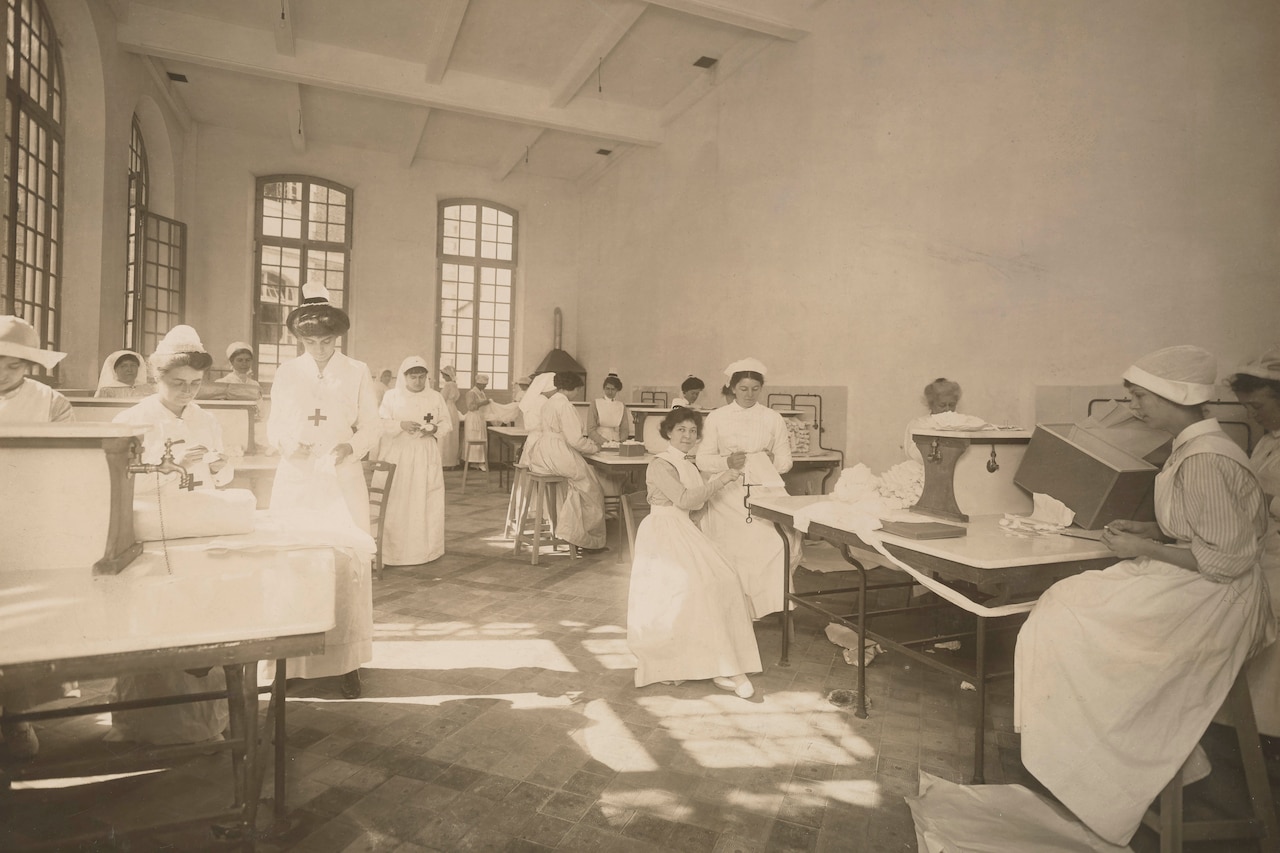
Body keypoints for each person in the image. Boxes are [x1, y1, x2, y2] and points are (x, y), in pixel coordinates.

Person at [1014, 345, 1274, 846]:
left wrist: (1144, 546)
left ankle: (1111, 772)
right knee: (1067, 604)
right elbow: (1204, 528)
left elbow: (1226, 560)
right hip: (1198, 584)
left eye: (1139, 397)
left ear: (1174, 397)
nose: (1133, 406)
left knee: (1064, 613)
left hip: (1215, 602)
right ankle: (1103, 765)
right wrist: (1149, 528)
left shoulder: (1205, 459)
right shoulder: (1195, 448)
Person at [109, 325, 232, 745]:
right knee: (155, 624)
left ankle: (203, 726)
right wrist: (167, 466)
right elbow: (119, 487)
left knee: (200, 621)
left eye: (195, 384)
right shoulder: (132, 420)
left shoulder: (207, 418)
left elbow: (223, 471)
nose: (187, 392)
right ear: (157, 378)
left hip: (198, 529)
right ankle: (143, 726)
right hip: (153, 534)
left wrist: (218, 466)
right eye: (177, 384)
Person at [267, 281, 379, 699]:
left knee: (344, 564)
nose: (318, 348)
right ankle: (290, 662)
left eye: (326, 340)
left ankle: (345, 662)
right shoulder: (286, 372)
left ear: (338, 337)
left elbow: (372, 424)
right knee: (294, 562)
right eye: (310, 341)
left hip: (341, 476)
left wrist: (352, 446)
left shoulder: (356, 371)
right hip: (296, 478)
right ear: (298, 339)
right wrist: (285, 443)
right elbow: (274, 423)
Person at [627, 408, 761, 698]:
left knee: (724, 578)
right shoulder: (660, 464)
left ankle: (721, 661)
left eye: (692, 431)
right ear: (668, 433)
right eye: (680, 431)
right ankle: (698, 662)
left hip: (682, 527)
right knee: (695, 587)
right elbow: (685, 498)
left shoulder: (689, 465)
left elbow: (695, 507)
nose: (687, 436)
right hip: (662, 532)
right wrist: (724, 478)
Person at [0, 316, 72, 760]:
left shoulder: (51, 402)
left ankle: (16, 720)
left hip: (26, 521)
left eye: (10, 367)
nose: (1, 373)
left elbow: (64, 464)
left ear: (28, 366)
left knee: (18, 627)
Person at [696, 358, 800, 618]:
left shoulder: (772, 418)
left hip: (765, 489)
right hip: (727, 492)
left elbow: (786, 461)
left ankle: (771, 605)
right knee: (738, 543)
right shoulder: (717, 418)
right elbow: (702, 459)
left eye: (755, 388)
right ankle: (734, 608)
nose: (749, 394)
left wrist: (769, 459)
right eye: (743, 388)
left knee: (777, 540)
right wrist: (726, 461)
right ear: (732, 388)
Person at [1228, 345, 1280, 740]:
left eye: (1257, 405)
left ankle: (1263, 731)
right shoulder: (1268, 440)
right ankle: (1242, 726)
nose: (1251, 415)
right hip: (1264, 549)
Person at [520, 371, 607, 551]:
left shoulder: (548, 402)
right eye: (578, 389)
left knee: (576, 485)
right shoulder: (565, 405)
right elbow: (574, 439)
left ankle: (571, 528)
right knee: (591, 487)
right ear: (573, 388)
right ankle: (583, 538)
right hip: (557, 452)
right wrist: (594, 447)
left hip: (541, 453)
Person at [378, 357, 452, 565]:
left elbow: (446, 422)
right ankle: (394, 551)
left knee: (425, 498)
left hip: (425, 454)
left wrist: (435, 428)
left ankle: (425, 551)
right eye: (413, 377)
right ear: (404, 377)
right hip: (398, 454)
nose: (418, 381)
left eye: (422, 377)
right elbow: (380, 422)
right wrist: (400, 425)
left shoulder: (435, 397)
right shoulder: (391, 396)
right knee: (397, 500)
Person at [903, 377, 962, 463]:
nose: (947, 409)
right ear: (931, 404)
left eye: (952, 405)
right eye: (942, 405)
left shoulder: (962, 424)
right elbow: (913, 454)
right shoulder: (918, 424)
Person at [585, 373, 630, 445]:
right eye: (607, 389)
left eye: (613, 389)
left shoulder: (621, 405)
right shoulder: (595, 403)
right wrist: (605, 442)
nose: (610, 392)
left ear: (617, 390)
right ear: (604, 388)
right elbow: (590, 429)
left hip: (616, 441)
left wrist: (620, 442)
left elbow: (625, 428)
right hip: (598, 441)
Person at [463, 373, 491, 470]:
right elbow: (470, 407)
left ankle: (480, 461)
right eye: (484, 385)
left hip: (480, 417)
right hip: (473, 418)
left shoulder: (482, 393)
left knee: (481, 438)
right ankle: (473, 462)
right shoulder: (471, 393)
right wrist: (484, 402)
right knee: (475, 438)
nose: (485, 386)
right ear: (478, 384)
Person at [438, 365, 461, 468]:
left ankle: (444, 462)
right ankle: (452, 461)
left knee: (445, 436)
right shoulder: (455, 385)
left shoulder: (447, 385)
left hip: (446, 409)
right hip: (454, 410)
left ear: (448, 375)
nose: (443, 377)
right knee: (452, 436)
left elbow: (441, 399)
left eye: (443, 375)